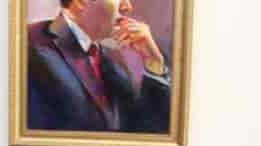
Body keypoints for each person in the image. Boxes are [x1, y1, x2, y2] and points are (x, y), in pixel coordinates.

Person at [28, 0, 170, 133]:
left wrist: (154, 62)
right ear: (79, 2)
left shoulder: (113, 59)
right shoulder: (28, 47)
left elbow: (145, 130)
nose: (127, 6)